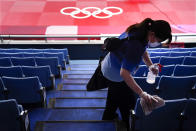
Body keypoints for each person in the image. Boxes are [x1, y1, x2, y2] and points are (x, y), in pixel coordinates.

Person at [101, 18, 172, 130]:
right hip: (114, 73)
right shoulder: (135, 46)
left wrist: (150, 65)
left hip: (109, 64)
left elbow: (143, 49)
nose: (157, 43)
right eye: (158, 40)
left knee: (114, 92)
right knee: (128, 102)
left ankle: (108, 115)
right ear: (152, 34)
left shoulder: (140, 30)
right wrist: (142, 93)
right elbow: (124, 73)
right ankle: (126, 125)